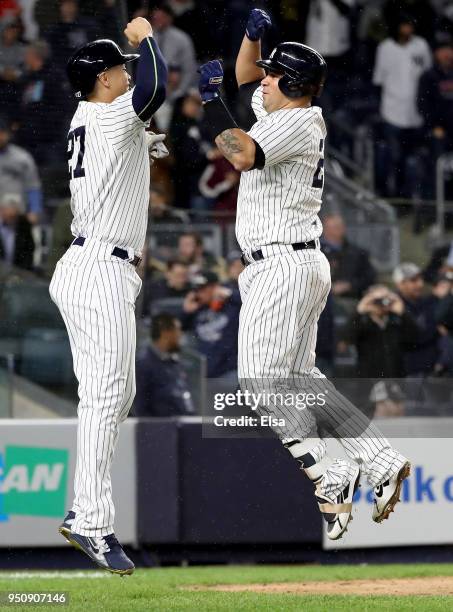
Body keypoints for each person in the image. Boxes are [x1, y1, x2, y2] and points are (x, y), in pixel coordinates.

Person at [197, 8, 410, 542]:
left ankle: (331, 474)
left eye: (273, 74)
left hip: (283, 262)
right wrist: (250, 36)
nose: (262, 78)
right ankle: (377, 461)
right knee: (300, 381)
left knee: (260, 381)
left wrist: (207, 107)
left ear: (291, 85)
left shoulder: (298, 119)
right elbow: (245, 75)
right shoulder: (277, 108)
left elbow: (240, 155)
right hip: (293, 260)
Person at [49, 17, 167, 575]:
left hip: (96, 264)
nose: (126, 70)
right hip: (98, 264)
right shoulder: (105, 111)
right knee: (108, 394)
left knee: (110, 396)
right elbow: (155, 88)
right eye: (119, 66)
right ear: (101, 78)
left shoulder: (93, 116)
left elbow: (141, 115)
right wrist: (148, 40)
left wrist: (145, 142)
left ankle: (88, 513)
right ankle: (90, 519)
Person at [373, 13, 431, 198]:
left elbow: (428, 76)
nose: (408, 30)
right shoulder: (385, 48)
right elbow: (379, 80)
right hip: (392, 113)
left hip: (416, 114)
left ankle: (405, 197)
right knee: (392, 158)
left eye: (410, 26)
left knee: (410, 161)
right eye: (404, 26)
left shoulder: (421, 45)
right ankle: (390, 196)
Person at [343, 284, 419, 378]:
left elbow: (416, 338)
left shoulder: (396, 321)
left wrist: (402, 313)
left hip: (395, 377)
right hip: (368, 378)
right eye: (377, 300)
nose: (381, 303)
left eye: (385, 299)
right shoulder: (362, 322)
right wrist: (359, 311)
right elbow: (347, 338)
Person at [181, 270, 240, 380]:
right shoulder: (197, 308)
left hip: (228, 372)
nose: (198, 293)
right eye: (196, 289)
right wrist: (186, 313)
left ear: (216, 287)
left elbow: (252, 304)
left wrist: (231, 294)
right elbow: (181, 329)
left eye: (202, 289)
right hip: (201, 372)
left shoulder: (232, 306)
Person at [135, 313, 193, 416]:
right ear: (166, 333)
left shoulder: (174, 361)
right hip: (161, 429)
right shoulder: (143, 365)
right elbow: (140, 408)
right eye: (178, 330)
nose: (180, 335)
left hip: (183, 426)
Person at [392, 262, 439, 375]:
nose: (420, 284)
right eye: (413, 280)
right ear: (400, 284)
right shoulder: (392, 306)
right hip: (404, 369)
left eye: (420, 279)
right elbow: (414, 338)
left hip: (427, 367)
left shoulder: (426, 302)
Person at [321, 213, 376, 298]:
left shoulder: (358, 253)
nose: (337, 230)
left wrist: (349, 285)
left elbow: (369, 277)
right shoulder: (316, 253)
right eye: (333, 227)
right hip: (323, 301)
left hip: (352, 298)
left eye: (339, 226)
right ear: (324, 229)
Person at [0, 115, 43, 224]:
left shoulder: (22, 158)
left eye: (2, 132)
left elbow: (33, 187)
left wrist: (34, 211)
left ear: (7, 134)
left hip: (17, 214)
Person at [0, 192, 34, 270]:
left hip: (17, 274)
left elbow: (28, 251)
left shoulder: (24, 225)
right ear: (1, 211)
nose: (12, 220)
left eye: (15, 217)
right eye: (10, 216)